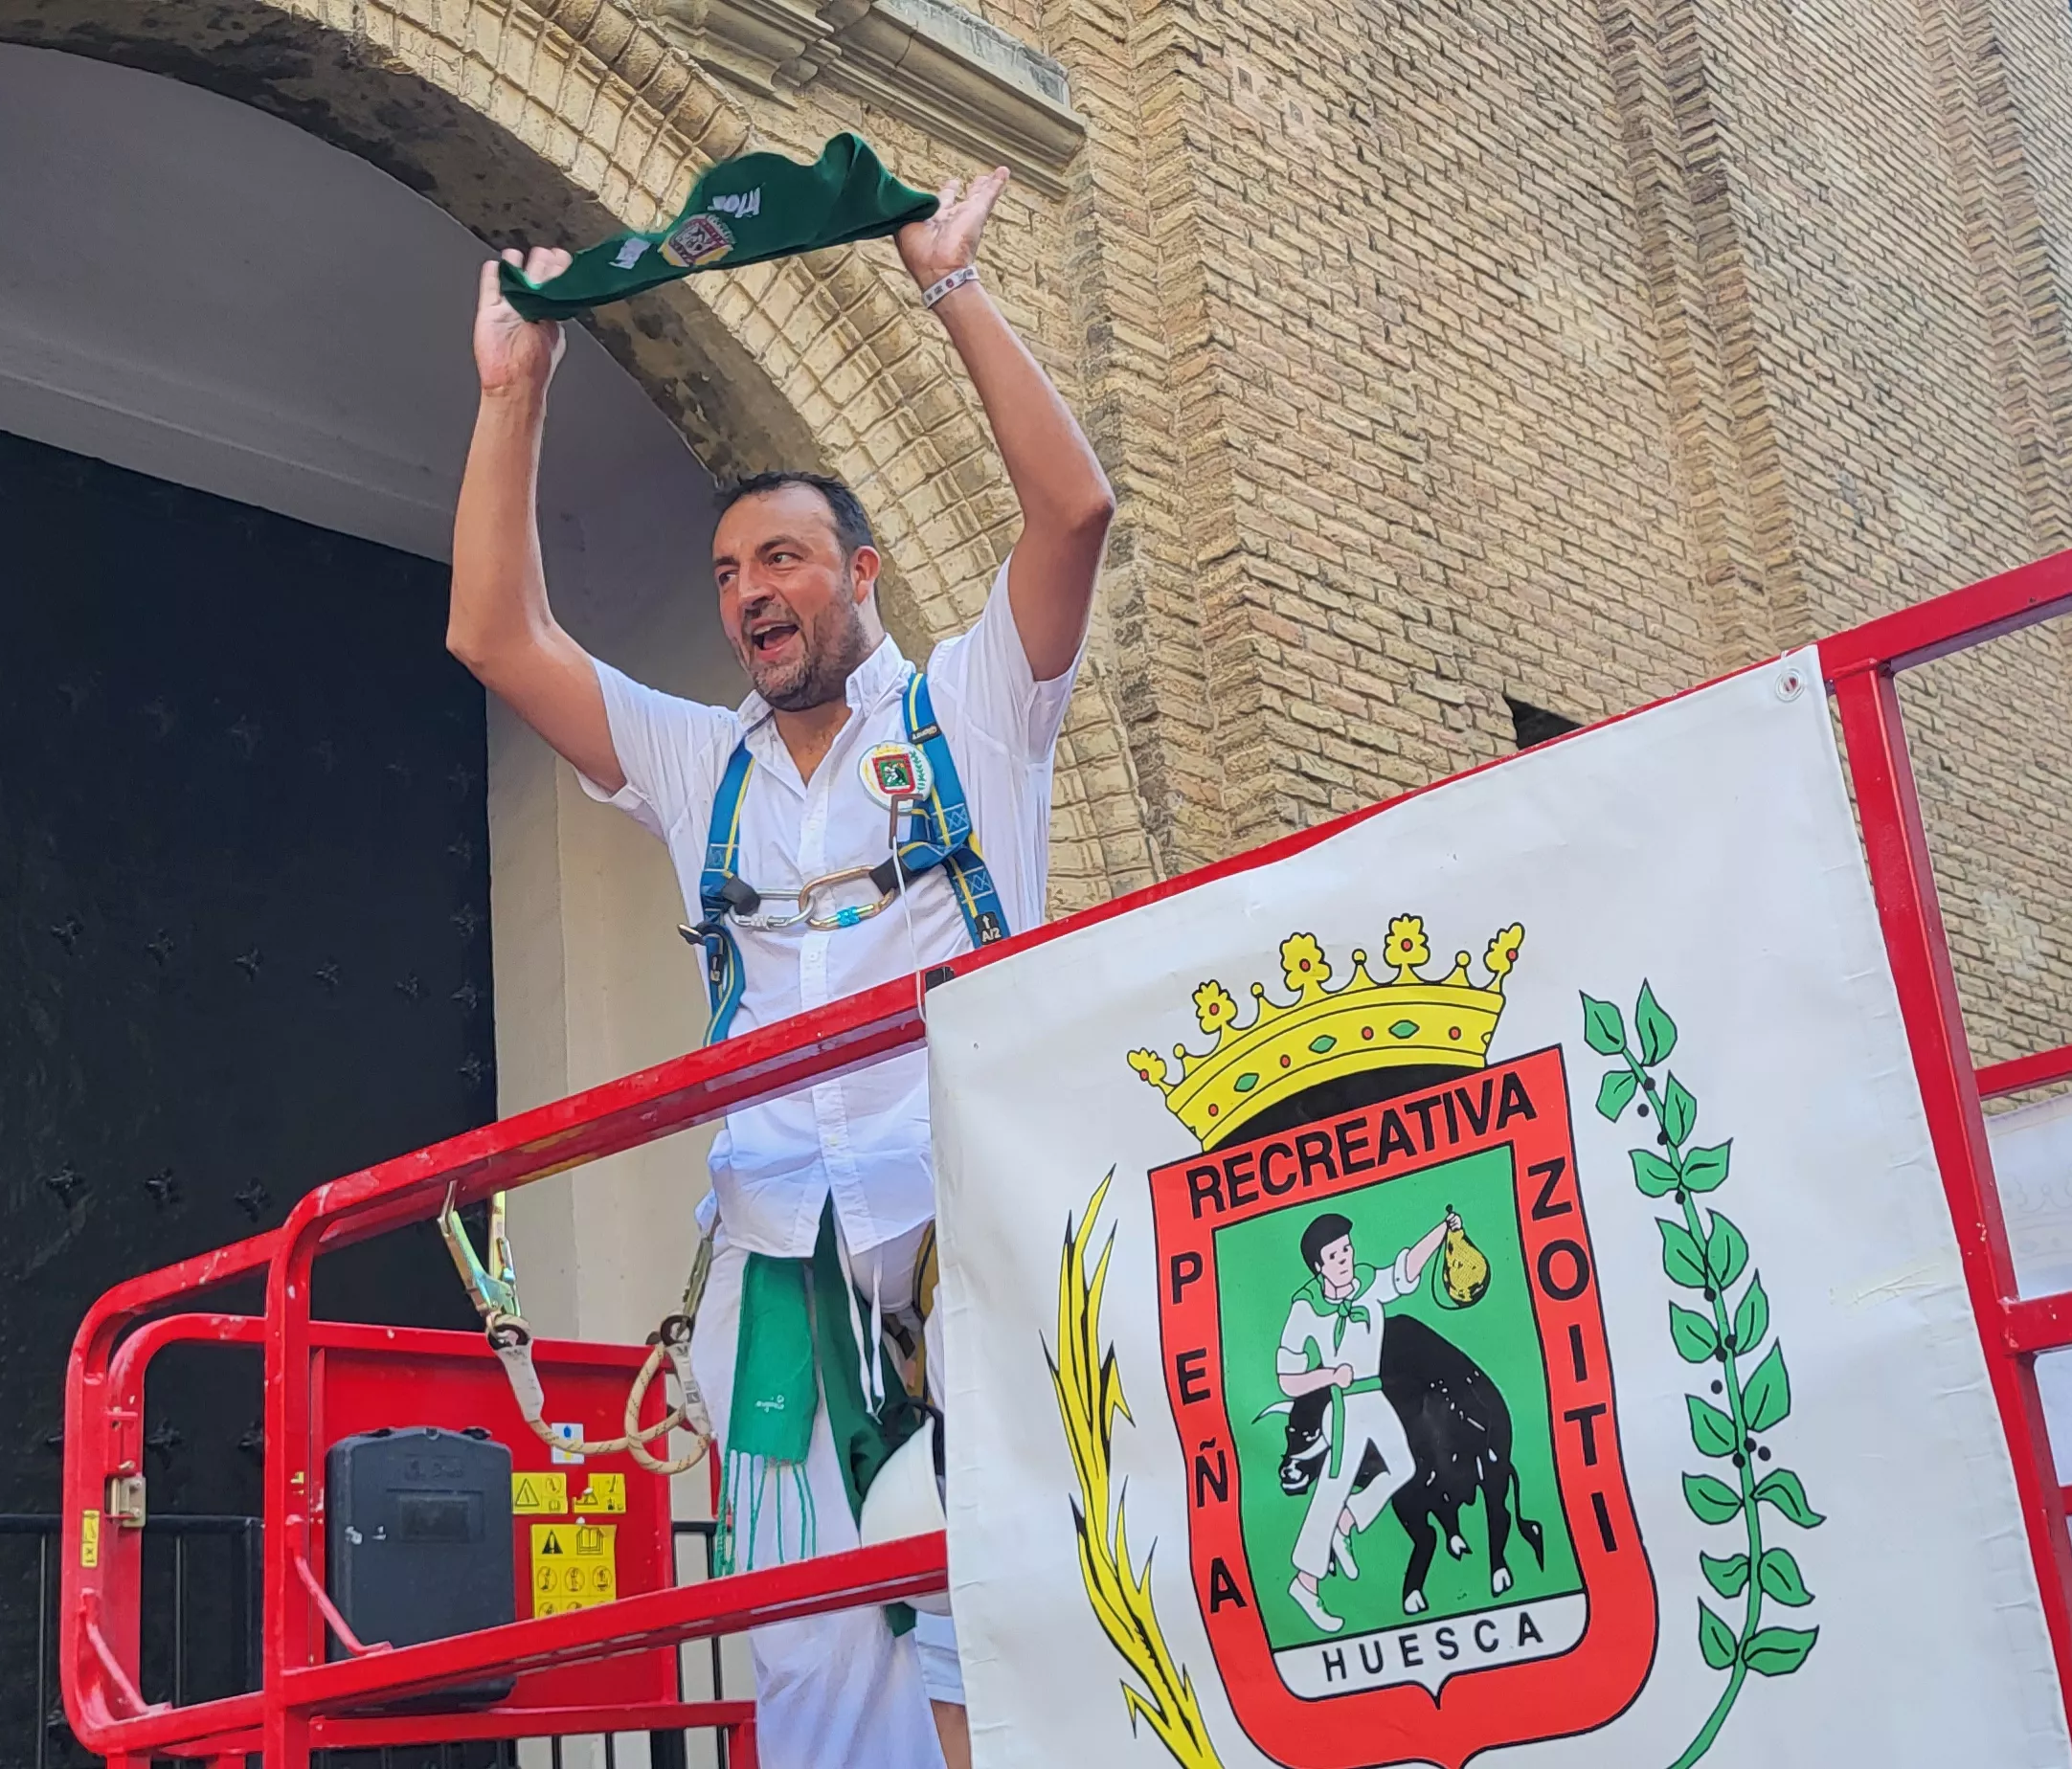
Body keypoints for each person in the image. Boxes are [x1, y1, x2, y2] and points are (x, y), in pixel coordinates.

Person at [444, 166, 1110, 1769]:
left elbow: (1072, 514)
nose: (753, 591)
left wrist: (950, 284)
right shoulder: (697, 765)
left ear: (862, 575)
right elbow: (493, 633)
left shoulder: (976, 712)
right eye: (733, 571)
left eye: (789, 560)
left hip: (963, 1237)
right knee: (808, 1649)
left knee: (987, 1625)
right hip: (773, 1262)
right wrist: (514, 390)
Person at [1273, 1207, 1460, 1632]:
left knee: (1404, 1466)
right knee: (1330, 1489)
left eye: (1347, 1249)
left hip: (1374, 1397)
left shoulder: (1366, 1285)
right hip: (1343, 1407)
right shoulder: (1306, 1307)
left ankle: (1347, 1521)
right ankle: (1305, 1583)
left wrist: (1441, 1230)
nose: (1346, 1258)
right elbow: (1287, 1378)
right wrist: (1328, 1375)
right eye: (1336, 1255)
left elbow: (1407, 1267)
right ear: (1318, 1266)